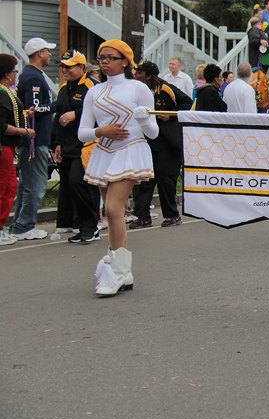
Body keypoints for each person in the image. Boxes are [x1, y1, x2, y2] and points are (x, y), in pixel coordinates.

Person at [78, 39, 159, 297]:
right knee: (113, 215)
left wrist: (144, 120)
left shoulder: (138, 88)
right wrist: (100, 131)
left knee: (113, 209)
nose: (104, 61)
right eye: (101, 57)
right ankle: (122, 274)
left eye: (111, 57)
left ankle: (115, 272)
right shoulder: (94, 91)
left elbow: (154, 133)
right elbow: (82, 132)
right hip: (104, 152)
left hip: (131, 150)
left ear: (125, 61)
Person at [130, 60, 192, 229]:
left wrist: (170, 115)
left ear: (149, 76)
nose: (136, 75)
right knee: (144, 180)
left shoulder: (165, 89)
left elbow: (187, 102)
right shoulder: (135, 92)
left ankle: (172, 215)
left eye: (139, 73)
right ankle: (142, 216)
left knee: (165, 179)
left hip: (167, 142)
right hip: (146, 142)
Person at [9, 38, 57, 240]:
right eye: (47, 51)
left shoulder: (30, 75)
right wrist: (57, 105)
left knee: (26, 185)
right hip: (35, 141)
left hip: (31, 140)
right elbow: (33, 110)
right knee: (36, 185)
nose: (50, 55)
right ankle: (24, 226)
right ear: (39, 53)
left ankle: (19, 224)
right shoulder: (34, 78)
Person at [53, 50, 101, 244]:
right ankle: (82, 227)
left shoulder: (92, 86)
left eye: (70, 66)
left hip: (86, 146)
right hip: (67, 145)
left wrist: (77, 113)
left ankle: (91, 226)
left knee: (78, 183)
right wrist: (56, 143)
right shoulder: (63, 88)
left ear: (82, 68)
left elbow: (101, 112)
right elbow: (58, 117)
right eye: (63, 66)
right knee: (72, 188)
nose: (65, 70)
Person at [0, 55, 35, 245]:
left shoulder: (7, 91)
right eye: (14, 70)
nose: (16, 74)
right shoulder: (2, 92)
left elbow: (9, 114)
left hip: (9, 147)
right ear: (6, 74)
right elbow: (2, 125)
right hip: (4, 147)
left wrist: (24, 114)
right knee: (4, 188)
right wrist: (24, 131)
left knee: (10, 187)